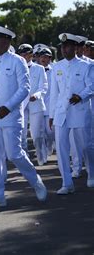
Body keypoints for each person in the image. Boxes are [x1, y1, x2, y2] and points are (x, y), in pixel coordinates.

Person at [0, 25, 47, 208]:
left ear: (5, 41)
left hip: (10, 117)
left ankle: (36, 182)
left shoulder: (17, 61)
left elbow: (24, 88)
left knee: (14, 154)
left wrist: (8, 107)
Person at [49, 33, 93, 194]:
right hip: (62, 112)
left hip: (80, 110)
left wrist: (81, 95)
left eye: (67, 46)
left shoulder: (86, 65)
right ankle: (66, 183)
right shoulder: (57, 67)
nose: (64, 49)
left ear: (75, 48)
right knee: (61, 148)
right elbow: (54, 93)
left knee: (86, 145)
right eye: (62, 46)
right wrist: (52, 114)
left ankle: (92, 173)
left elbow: (91, 86)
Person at [17, 44, 48, 165]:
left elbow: (44, 86)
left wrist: (37, 95)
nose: (24, 56)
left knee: (36, 135)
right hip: (20, 104)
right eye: (22, 54)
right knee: (22, 134)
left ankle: (40, 154)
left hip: (36, 103)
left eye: (26, 54)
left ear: (31, 55)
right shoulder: (16, 67)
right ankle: (26, 158)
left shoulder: (39, 68)